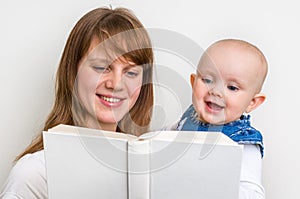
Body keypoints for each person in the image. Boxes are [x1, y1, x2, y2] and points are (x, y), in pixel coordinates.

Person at [0, 7, 154, 198]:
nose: (116, 84)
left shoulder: (149, 170)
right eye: (101, 67)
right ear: (72, 71)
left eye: (131, 73)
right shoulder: (35, 174)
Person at [174, 39, 268, 198]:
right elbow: (165, 137)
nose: (216, 91)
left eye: (232, 87)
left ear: (252, 102)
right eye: (208, 80)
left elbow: (253, 194)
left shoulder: (244, 143)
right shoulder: (189, 117)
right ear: (193, 82)